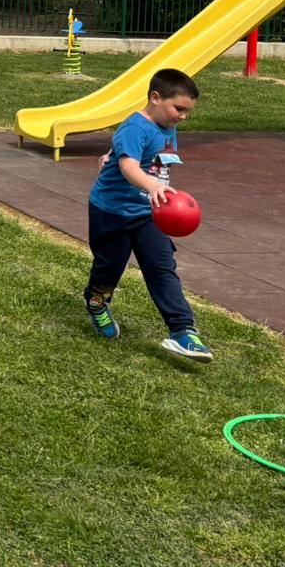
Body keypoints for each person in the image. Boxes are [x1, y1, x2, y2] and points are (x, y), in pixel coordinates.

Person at [84, 68, 213, 362]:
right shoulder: (135, 127)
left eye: (188, 111)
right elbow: (129, 166)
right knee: (109, 268)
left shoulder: (166, 124)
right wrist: (153, 185)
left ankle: (182, 330)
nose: (183, 117)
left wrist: (110, 153)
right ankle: (96, 301)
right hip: (112, 211)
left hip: (148, 214)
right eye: (179, 109)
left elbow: (132, 149)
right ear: (156, 98)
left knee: (162, 267)